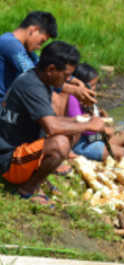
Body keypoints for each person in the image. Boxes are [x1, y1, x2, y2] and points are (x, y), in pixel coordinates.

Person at [0, 41, 105, 205]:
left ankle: (37, 177)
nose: (68, 80)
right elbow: (52, 126)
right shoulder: (32, 86)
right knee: (60, 144)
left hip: (25, 150)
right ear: (51, 69)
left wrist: (82, 121)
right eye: (66, 75)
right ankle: (27, 189)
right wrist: (90, 125)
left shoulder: (40, 79)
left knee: (77, 123)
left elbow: (55, 121)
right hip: (9, 161)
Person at [0, 11, 96, 110]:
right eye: (42, 41)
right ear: (34, 30)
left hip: (11, 102)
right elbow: (35, 76)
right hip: (3, 108)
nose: (39, 47)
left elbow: (41, 66)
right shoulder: (11, 44)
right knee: (53, 98)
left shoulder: (23, 47)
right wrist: (73, 90)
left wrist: (77, 82)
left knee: (59, 93)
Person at [67, 63, 124, 161]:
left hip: (96, 138)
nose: (94, 88)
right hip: (83, 144)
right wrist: (104, 130)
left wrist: (98, 114)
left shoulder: (88, 97)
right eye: (91, 85)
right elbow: (78, 126)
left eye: (94, 84)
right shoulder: (72, 98)